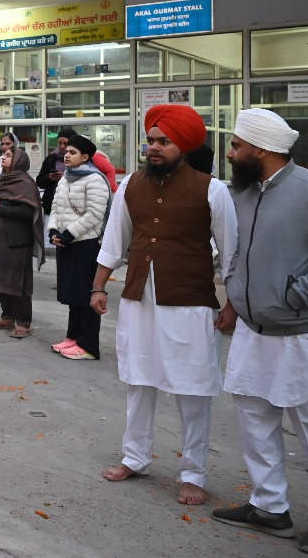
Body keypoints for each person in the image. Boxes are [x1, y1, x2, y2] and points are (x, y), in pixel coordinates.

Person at [90, 104, 237, 506]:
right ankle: (135, 457)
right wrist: (98, 286)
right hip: (139, 300)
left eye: (163, 142)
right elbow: (113, 242)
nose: (153, 147)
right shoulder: (130, 186)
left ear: (184, 147)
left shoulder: (213, 190)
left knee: (193, 390)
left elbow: (231, 255)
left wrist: (233, 306)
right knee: (138, 381)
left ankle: (193, 473)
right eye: (150, 140)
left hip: (190, 305)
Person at [213, 109, 308, 553]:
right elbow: (235, 251)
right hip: (252, 327)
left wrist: (295, 296)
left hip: (304, 332)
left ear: (261, 149)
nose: (230, 153)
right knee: (253, 416)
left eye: (236, 145)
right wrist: (235, 295)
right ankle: (269, 506)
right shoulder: (241, 193)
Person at [48, 134, 110, 361]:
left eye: (72, 152)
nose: (66, 155)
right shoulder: (66, 177)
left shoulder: (94, 179)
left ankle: (88, 345)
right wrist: (53, 231)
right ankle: (73, 337)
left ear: (85, 157)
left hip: (86, 244)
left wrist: (68, 234)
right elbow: (56, 207)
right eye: (66, 152)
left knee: (86, 295)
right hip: (67, 243)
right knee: (73, 294)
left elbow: (95, 215)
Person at [0, 149, 43, 337]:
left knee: (17, 282)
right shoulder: (2, 180)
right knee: (0, 279)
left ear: (18, 161)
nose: (3, 158)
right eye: (4, 154)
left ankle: (23, 322)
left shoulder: (25, 183)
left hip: (16, 241)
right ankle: (7, 317)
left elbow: (27, 212)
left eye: (8, 156)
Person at [36, 127, 73, 215]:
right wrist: (49, 178)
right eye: (60, 143)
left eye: (66, 143)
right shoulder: (51, 158)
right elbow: (39, 181)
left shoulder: (78, 160)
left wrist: (65, 177)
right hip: (51, 205)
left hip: (71, 206)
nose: (62, 146)